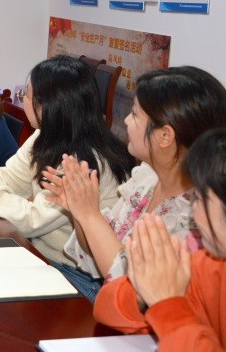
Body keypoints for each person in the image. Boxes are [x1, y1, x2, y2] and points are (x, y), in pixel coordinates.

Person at [0, 55, 133, 271]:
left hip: (71, 271)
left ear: (47, 105)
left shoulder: (83, 162)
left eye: (25, 96)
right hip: (36, 252)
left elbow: (31, 221)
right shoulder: (44, 136)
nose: (23, 101)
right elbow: (5, 182)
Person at [43, 67, 226, 301]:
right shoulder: (146, 177)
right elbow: (93, 254)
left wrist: (89, 215)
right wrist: (79, 211)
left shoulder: (198, 214)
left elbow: (134, 293)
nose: (126, 120)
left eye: (134, 114)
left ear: (165, 135)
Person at [94, 127, 226, 350]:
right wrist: (142, 291)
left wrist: (168, 305)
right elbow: (105, 308)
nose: (193, 212)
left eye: (199, 198)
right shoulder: (208, 264)